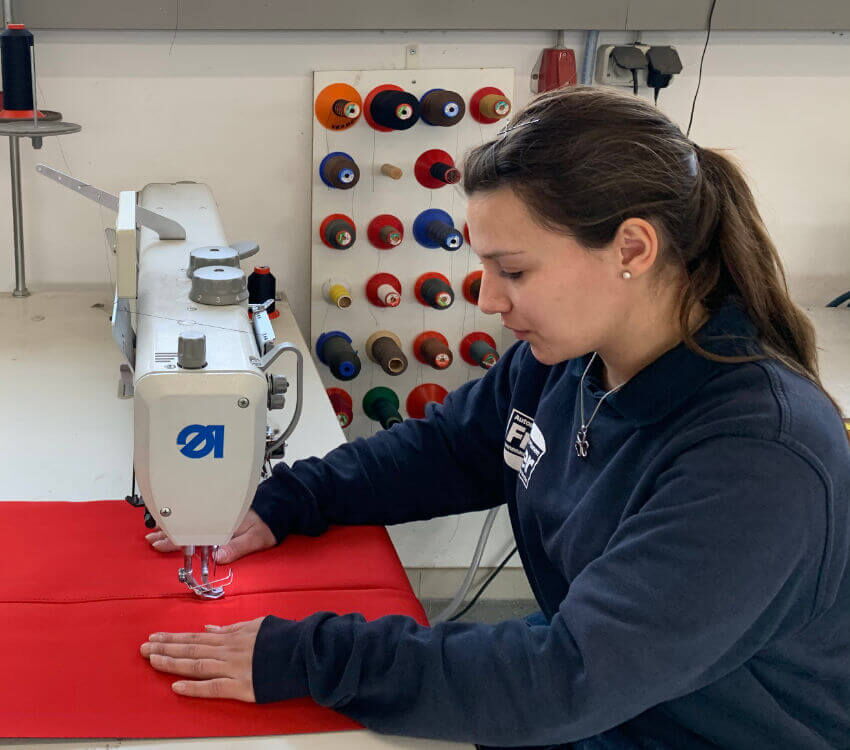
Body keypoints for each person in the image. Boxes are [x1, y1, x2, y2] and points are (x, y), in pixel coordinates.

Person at [140, 86, 850, 749]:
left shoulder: (757, 458)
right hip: (614, 709)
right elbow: (450, 450)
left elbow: (566, 676)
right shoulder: (571, 358)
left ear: (633, 249)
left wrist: (307, 657)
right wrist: (283, 500)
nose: (486, 299)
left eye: (513, 271)